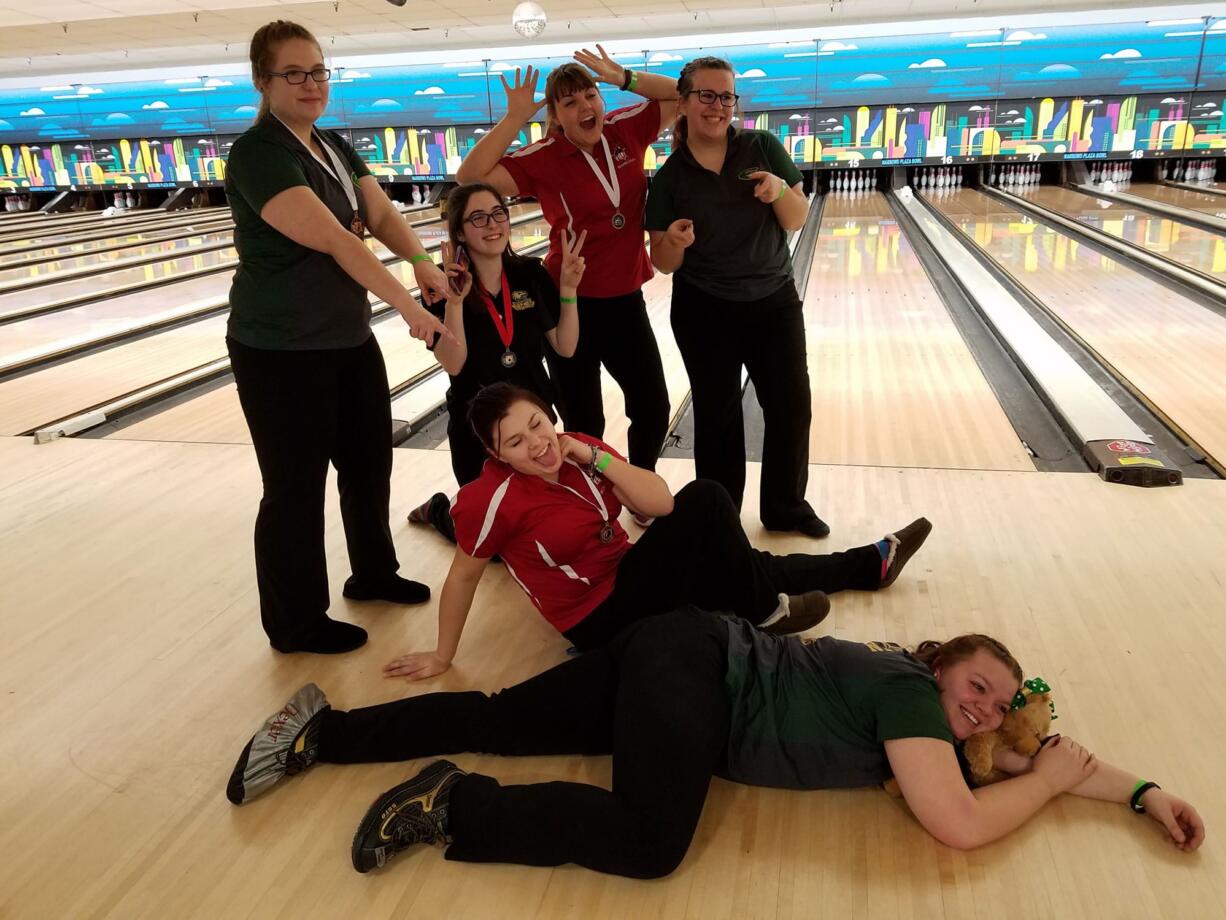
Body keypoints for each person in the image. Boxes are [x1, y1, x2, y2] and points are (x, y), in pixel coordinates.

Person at [226, 609, 1206, 877]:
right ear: (938, 663)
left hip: (680, 650)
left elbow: (1055, 756)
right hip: (699, 680)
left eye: (998, 703)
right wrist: (1035, 789)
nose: (989, 709)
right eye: (977, 684)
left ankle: (326, 731)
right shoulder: (910, 697)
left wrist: (1140, 791)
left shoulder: (929, 706)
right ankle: (453, 803)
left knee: (499, 712)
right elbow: (956, 821)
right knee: (651, 840)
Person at [383, 382, 931, 681]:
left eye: (537, 425)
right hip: (597, 618)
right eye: (516, 442)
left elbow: (656, 504)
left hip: (633, 576)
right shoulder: (491, 499)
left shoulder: (576, 447)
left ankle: (870, 564)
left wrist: (595, 459)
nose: (538, 443)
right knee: (709, 500)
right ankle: (766, 611)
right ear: (495, 454)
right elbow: (462, 579)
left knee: (744, 562)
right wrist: (441, 655)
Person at [224, 20, 454, 654]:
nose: (310, 84)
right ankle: (295, 621)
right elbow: (334, 237)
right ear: (263, 81)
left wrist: (422, 259)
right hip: (279, 349)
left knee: (367, 463)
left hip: (344, 337)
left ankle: (374, 574)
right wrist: (409, 304)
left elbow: (378, 212)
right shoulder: (258, 153)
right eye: (293, 73)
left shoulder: (332, 146)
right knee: (294, 487)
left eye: (319, 71)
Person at [456, 46, 676, 484]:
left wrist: (624, 77)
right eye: (570, 102)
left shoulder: (625, 128)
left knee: (653, 405)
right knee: (583, 419)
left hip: (626, 298)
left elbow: (682, 95)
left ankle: (639, 481)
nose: (585, 107)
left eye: (590, 95)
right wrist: (515, 118)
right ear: (556, 115)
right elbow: (470, 175)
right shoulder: (544, 156)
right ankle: (589, 496)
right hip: (568, 302)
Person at [646, 57, 824, 538]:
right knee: (718, 417)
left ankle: (786, 507)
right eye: (706, 95)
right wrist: (673, 243)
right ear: (682, 103)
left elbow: (797, 218)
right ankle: (721, 519)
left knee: (790, 405)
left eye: (726, 96)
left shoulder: (762, 146)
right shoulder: (669, 178)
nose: (718, 105)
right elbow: (662, 262)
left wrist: (779, 189)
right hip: (704, 309)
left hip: (773, 302)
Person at [406, 183, 584, 540]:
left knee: (545, 528)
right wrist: (454, 302)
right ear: (459, 231)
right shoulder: (440, 288)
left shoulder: (530, 274)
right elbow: (453, 365)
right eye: (478, 218)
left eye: (499, 213)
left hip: (533, 422)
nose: (493, 225)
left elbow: (565, 347)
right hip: (477, 427)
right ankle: (440, 509)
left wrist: (568, 290)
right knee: (493, 544)